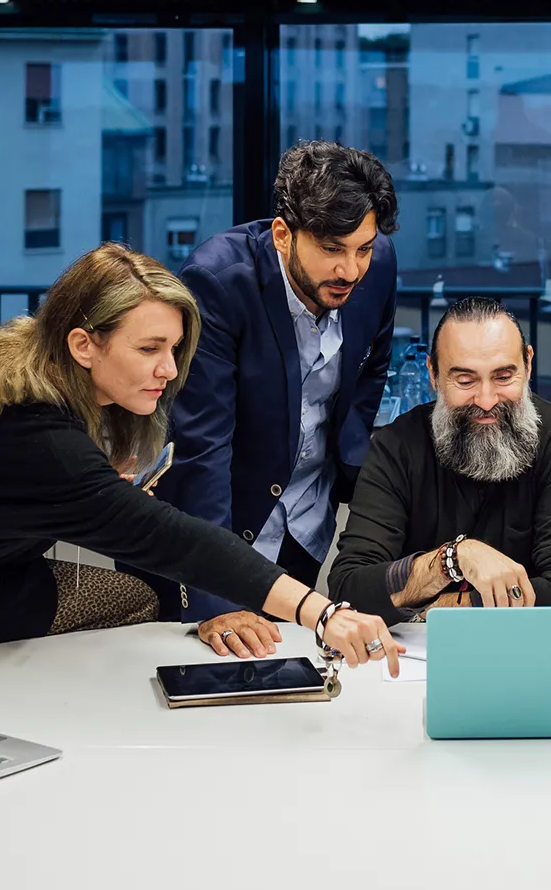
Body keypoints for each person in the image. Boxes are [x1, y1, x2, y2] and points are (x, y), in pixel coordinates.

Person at [0, 244, 400, 672]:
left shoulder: (30, 370)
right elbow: (181, 542)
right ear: (84, 344)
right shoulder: (39, 437)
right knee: (152, 596)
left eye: (175, 349)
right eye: (150, 349)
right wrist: (325, 613)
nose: (170, 370)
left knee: (155, 596)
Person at [157, 141, 399, 657]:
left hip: (306, 526)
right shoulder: (216, 282)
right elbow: (201, 448)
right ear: (283, 234)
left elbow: (372, 365)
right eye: (333, 249)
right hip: (218, 530)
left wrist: (350, 462)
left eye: (364, 248)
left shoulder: (377, 268)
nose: (351, 270)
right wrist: (213, 596)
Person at [328, 296, 551, 620]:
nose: (486, 401)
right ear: (433, 374)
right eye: (465, 380)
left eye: (503, 377)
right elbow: (349, 589)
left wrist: (449, 609)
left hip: (526, 656)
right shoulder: (396, 445)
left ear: (528, 365)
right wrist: (451, 560)